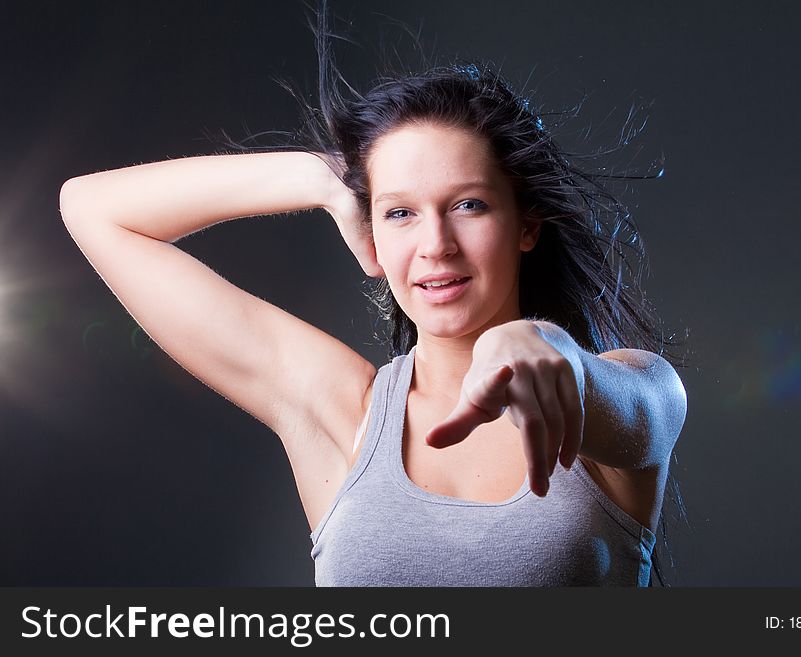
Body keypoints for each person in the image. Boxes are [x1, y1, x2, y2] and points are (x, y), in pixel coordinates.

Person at [58, 2, 687, 586]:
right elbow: (92, 210)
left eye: (468, 205)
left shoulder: (628, 391)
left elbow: (641, 409)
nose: (436, 243)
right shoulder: (345, 415)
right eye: (400, 214)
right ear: (371, 236)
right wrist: (320, 173)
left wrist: (551, 349)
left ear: (526, 225)